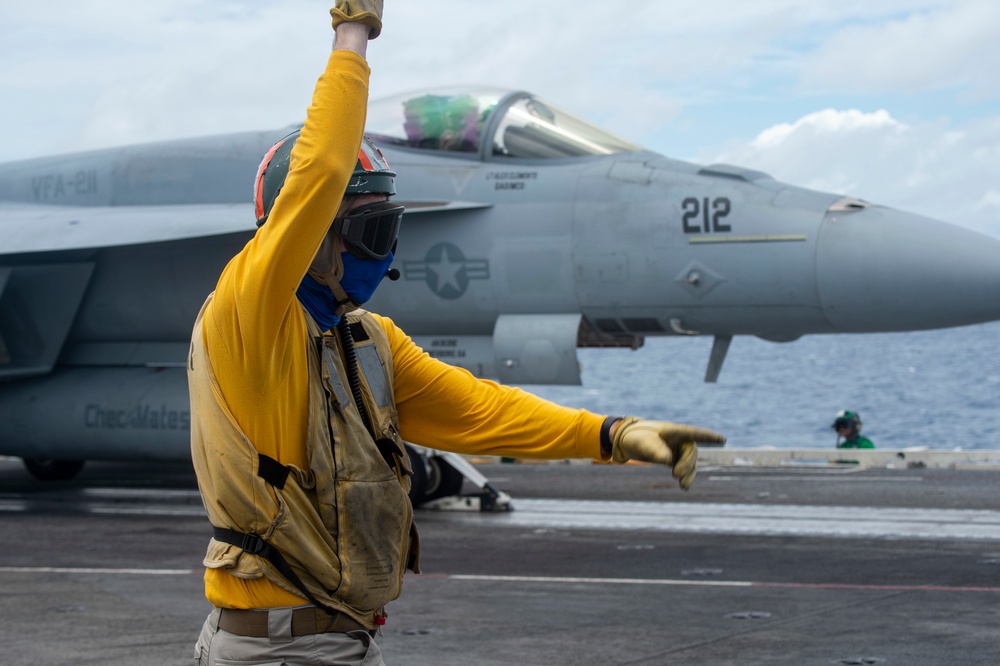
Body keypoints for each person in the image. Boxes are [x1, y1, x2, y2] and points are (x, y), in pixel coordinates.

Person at [188, 4, 726, 664]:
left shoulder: (367, 344)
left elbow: (484, 411)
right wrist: (353, 32)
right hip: (281, 649)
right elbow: (321, 173)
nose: (383, 253)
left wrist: (610, 433)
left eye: (388, 228)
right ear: (307, 236)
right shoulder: (249, 318)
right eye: (367, 230)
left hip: (333, 639)